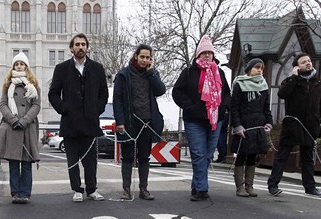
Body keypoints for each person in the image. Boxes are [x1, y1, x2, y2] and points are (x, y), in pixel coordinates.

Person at [48, 33, 109, 202]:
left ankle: (91, 189)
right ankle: (76, 189)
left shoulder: (97, 68)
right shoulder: (61, 69)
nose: (80, 47)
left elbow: (104, 93)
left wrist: (97, 109)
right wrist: (63, 108)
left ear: (87, 47)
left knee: (91, 161)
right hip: (70, 122)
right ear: (71, 48)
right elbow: (53, 93)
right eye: (77, 44)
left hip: (90, 122)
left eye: (83, 44)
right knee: (72, 160)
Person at [172, 35, 231, 201]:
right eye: (203, 52)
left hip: (215, 120)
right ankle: (202, 190)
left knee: (207, 155)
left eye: (209, 52)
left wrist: (223, 108)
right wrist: (191, 107)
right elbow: (177, 92)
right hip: (194, 120)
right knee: (198, 154)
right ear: (198, 54)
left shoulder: (219, 72)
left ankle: (196, 184)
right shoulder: (189, 72)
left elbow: (227, 93)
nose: (207, 55)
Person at [267, 53, 321, 197]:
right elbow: (282, 94)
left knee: (308, 158)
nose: (308, 63)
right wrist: (294, 77)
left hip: (310, 126)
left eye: (309, 61)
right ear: (297, 66)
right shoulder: (291, 81)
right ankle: (273, 184)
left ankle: (310, 187)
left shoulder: (319, 83)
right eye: (304, 62)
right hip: (293, 124)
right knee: (282, 156)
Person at [113, 44, 166, 200]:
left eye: (148, 58)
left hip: (147, 122)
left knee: (144, 157)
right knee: (127, 156)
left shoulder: (152, 74)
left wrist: (151, 73)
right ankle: (126, 189)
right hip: (129, 122)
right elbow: (117, 100)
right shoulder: (123, 74)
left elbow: (160, 91)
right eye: (142, 57)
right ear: (136, 56)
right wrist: (120, 121)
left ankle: (144, 189)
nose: (144, 60)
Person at [0, 53, 41, 204]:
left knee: (26, 163)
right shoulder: (8, 85)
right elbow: (2, 104)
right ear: (13, 67)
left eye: (22, 64)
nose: (19, 66)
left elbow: (36, 105)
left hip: (27, 128)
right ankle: (15, 193)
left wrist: (25, 120)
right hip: (12, 127)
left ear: (27, 67)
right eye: (16, 64)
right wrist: (13, 120)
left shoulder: (34, 86)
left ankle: (25, 193)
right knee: (14, 163)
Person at [230, 58, 273, 197]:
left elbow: (267, 107)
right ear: (249, 69)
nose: (259, 70)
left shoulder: (264, 86)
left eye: (261, 68)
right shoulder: (239, 84)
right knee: (241, 155)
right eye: (256, 67)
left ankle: (249, 185)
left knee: (253, 156)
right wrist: (237, 125)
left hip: (258, 124)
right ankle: (239, 187)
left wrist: (269, 122)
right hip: (244, 124)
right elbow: (234, 107)